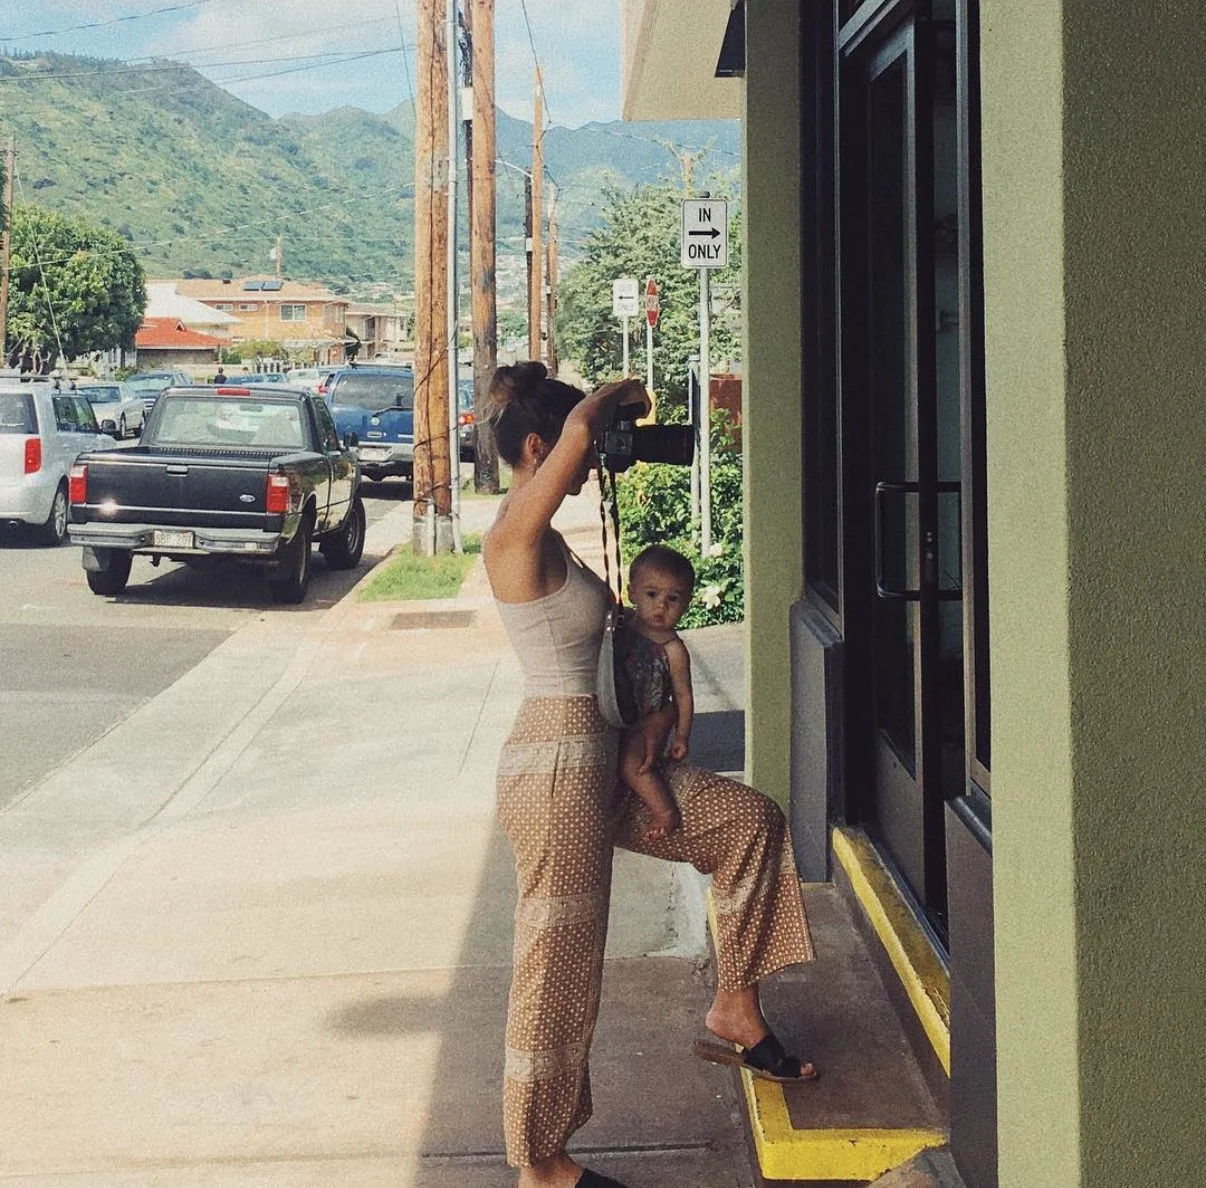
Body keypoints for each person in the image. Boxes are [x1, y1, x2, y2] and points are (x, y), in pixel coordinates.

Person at [484, 362, 816, 1188]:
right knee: (556, 965)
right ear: (539, 445)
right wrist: (605, 405)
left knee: (749, 822)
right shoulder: (512, 536)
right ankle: (541, 1163)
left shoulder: (549, 538)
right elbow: (579, 434)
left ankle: (735, 1004)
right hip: (557, 767)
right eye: (581, 452)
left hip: (607, 755)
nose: (594, 464)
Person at [617, 544, 696, 841]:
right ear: (632, 592)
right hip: (620, 712)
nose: (661, 606)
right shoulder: (623, 626)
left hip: (647, 720)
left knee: (632, 764)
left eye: (673, 599)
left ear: (686, 604)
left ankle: (664, 811)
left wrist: (681, 735)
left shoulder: (673, 650)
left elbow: (683, 696)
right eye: (652, 595)